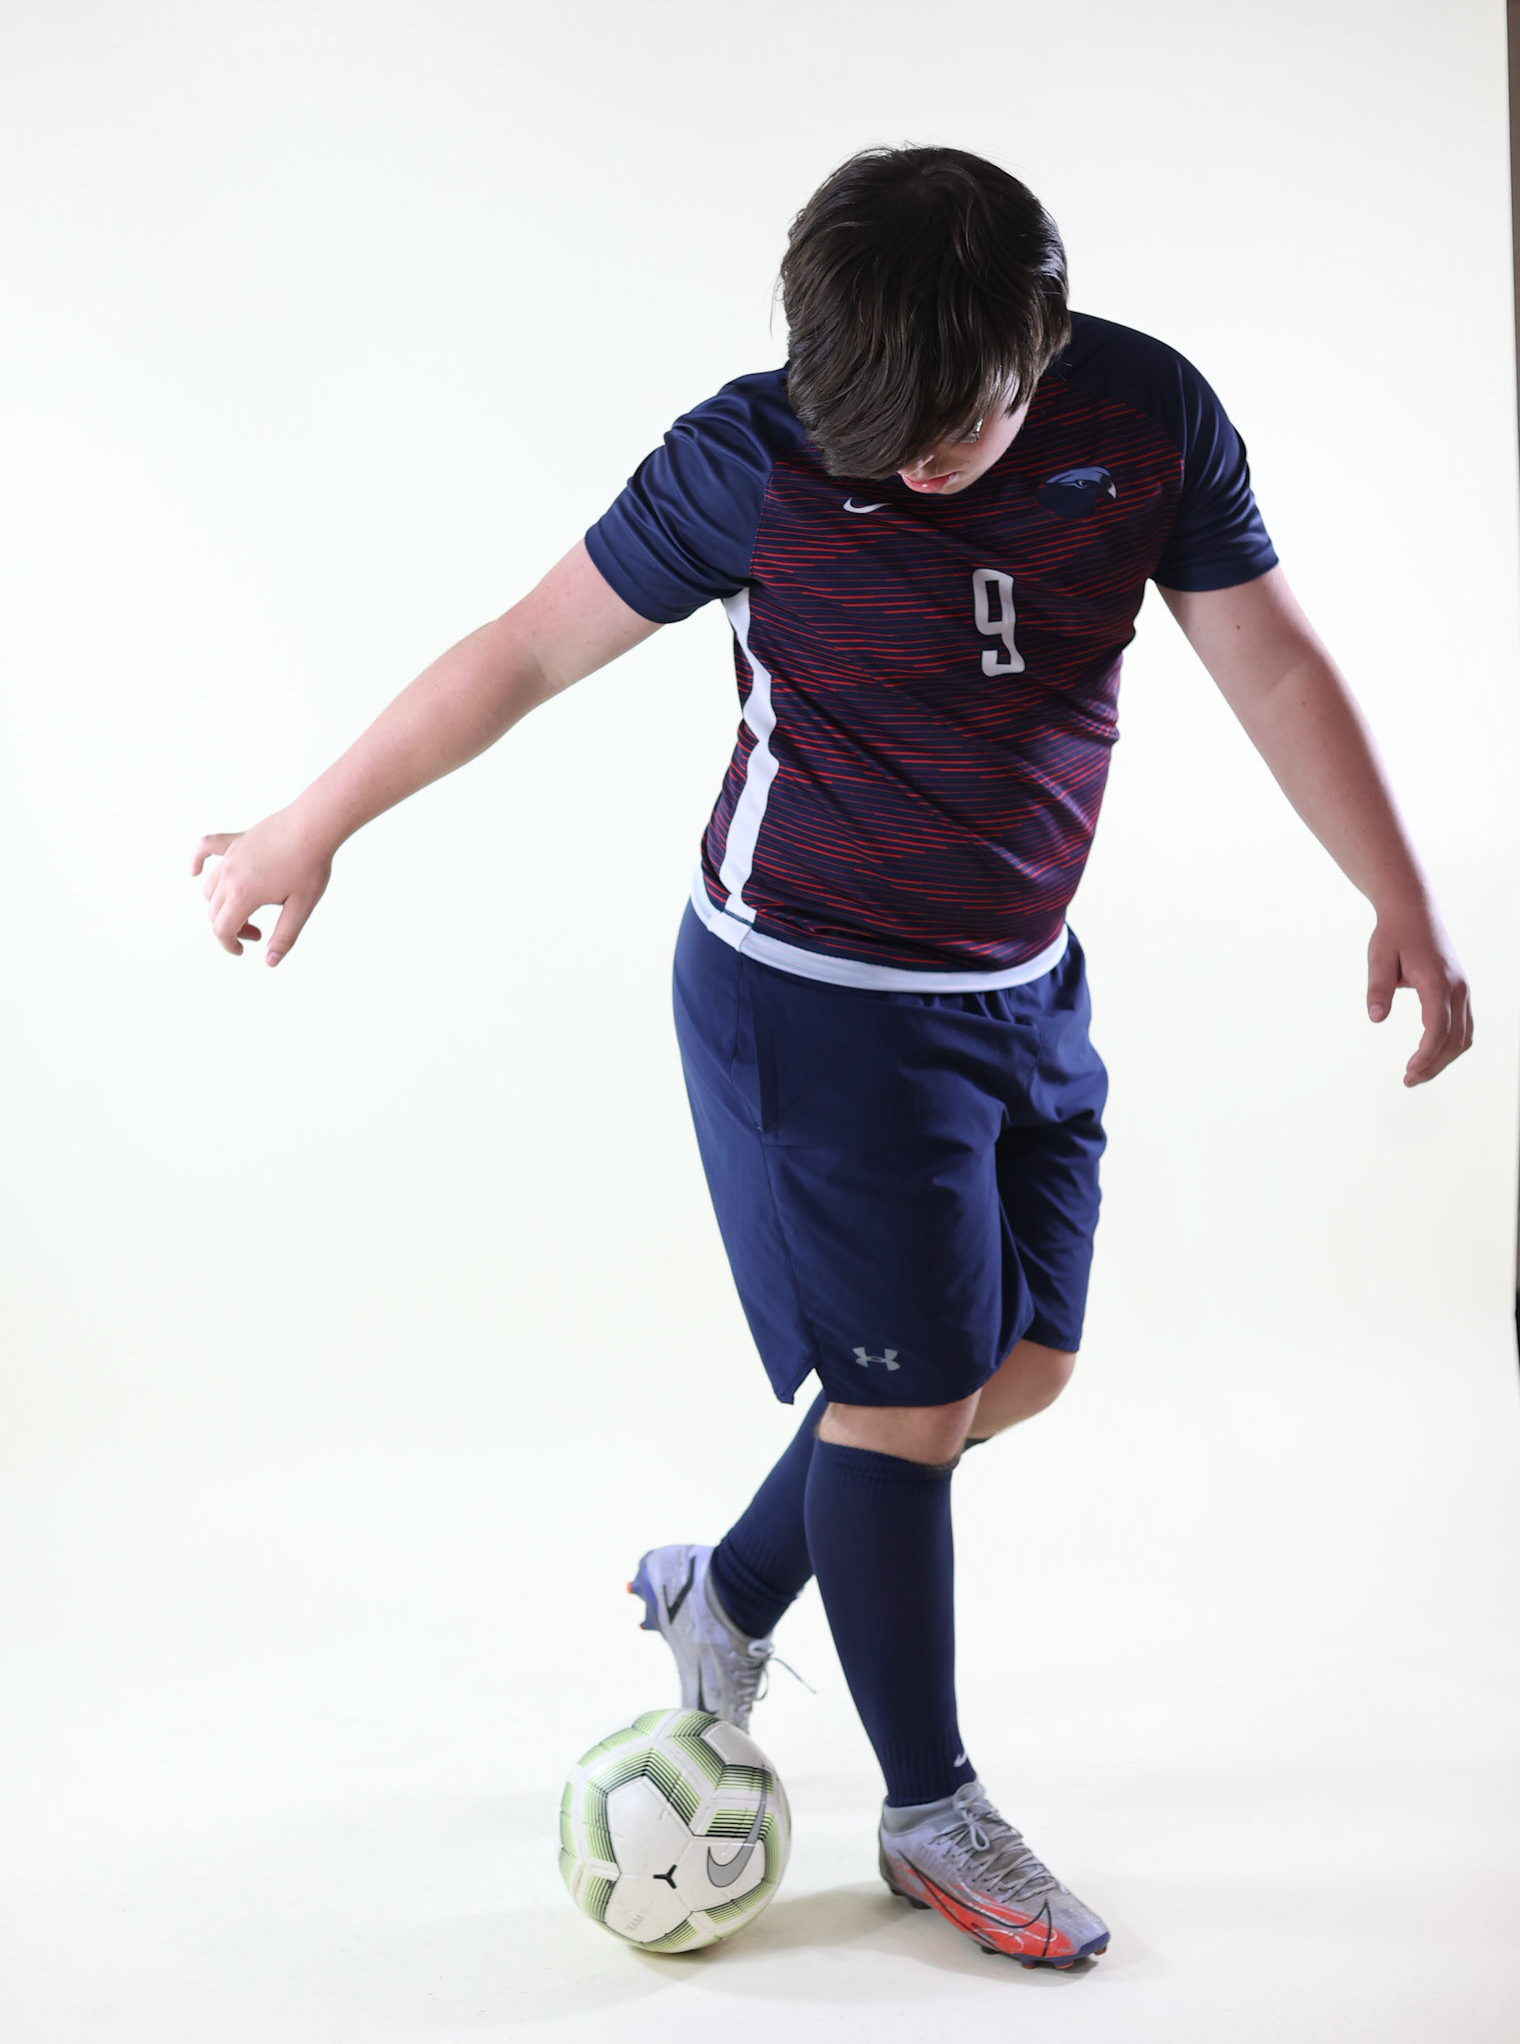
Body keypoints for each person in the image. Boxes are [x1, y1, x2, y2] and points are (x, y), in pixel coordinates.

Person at [192, 144, 1473, 1971]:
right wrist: (298, 828)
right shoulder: (755, 457)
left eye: (953, 435)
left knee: (1014, 1369)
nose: (917, 474)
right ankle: (930, 1805)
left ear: (1043, 341)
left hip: (1019, 983)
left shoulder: (1150, 417)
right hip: (808, 1001)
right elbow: (523, 654)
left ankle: (717, 1597)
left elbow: (1263, 657)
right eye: (880, 446)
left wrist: (1397, 891)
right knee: (906, 1404)